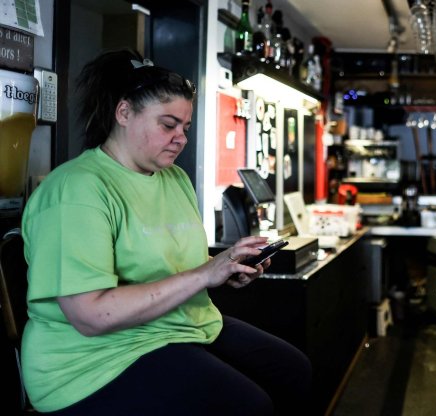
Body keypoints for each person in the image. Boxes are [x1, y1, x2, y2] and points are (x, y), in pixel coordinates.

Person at [21, 49, 311, 415]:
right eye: (167, 124)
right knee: (248, 405)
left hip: (177, 327)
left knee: (292, 370)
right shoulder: (76, 191)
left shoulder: (174, 179)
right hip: (93, 362)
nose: (181, 138)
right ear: (124, 113)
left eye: (185, 128)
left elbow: (172, 265)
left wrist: (224, 269)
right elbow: (91, 316)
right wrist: (205, 273)